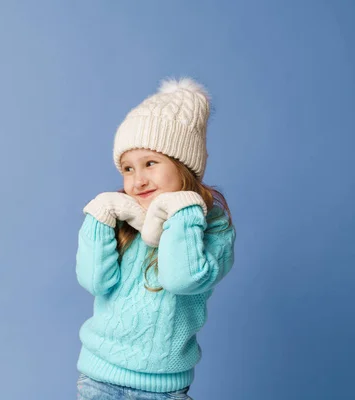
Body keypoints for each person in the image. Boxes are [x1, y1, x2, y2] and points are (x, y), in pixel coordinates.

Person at [75, 77, 236, 400]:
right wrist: (101, 214)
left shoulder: (212, 229)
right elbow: (95, 281)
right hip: (97, 377)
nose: (138, 180)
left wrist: (182, 208)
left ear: (183, 166)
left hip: (161, 389)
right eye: (128, 169)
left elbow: (181, 279)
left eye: (150, 163)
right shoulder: (125, 219)